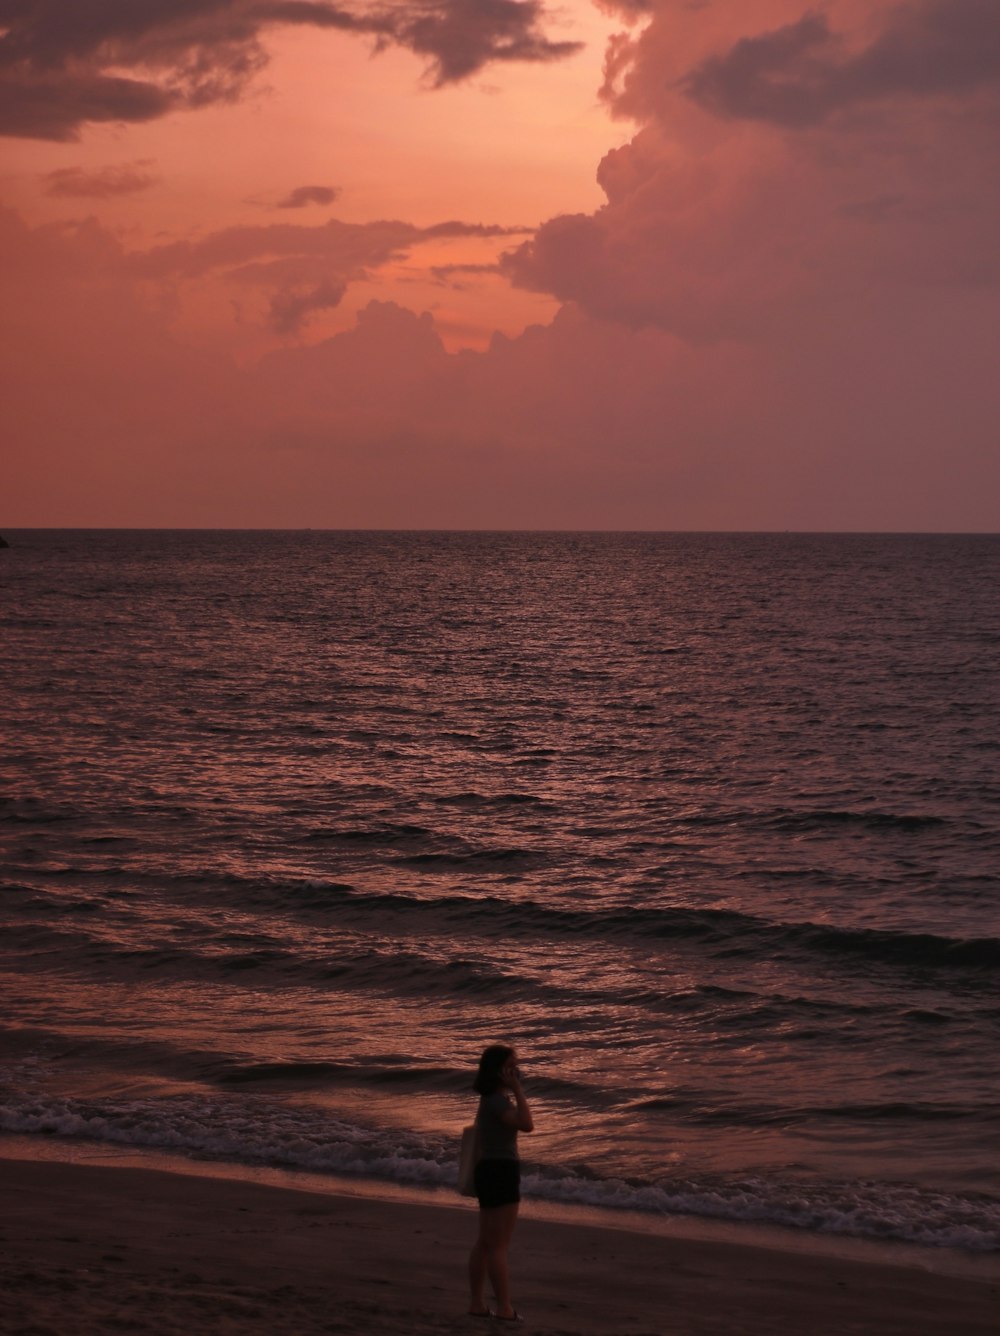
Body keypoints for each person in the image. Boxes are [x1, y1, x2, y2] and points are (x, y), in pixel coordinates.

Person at [467, 1044, 534, 1322]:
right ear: (500, 1071)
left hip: (490, 1170)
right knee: (498, 1246)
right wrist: (518, 1090)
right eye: (512, 1065)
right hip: (501, 1171)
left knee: (485, 1243)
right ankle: (505, 1308)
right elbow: (526, 1124)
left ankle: (477, 1304)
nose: (516, 1070)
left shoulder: (489, 1100)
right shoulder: (496, 1101)